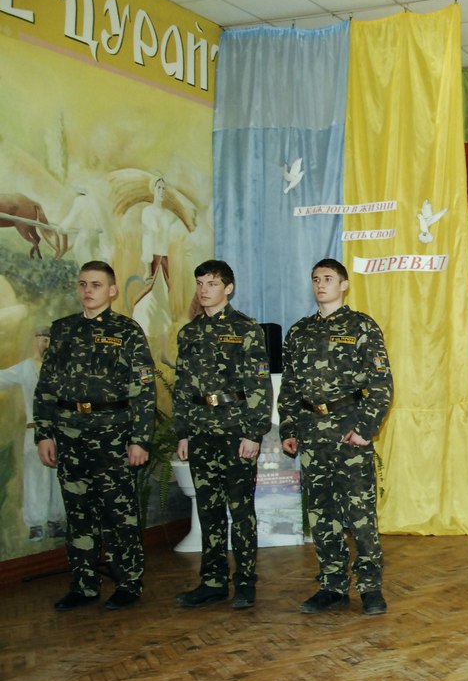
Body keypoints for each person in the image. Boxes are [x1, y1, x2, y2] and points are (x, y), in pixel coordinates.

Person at [34, 261, 156, 611]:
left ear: (112, 290)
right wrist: (44, 433)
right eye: (84, 284)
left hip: (113, 435)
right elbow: (46, 388)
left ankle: (128, 582)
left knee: (119, 513)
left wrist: (140, 439)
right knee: (78, 512)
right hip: (69, 435)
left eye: (97, 285)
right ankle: (84, 584)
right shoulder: (63, 330)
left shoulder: (126, 331)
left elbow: (145, 391)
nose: (88, 290)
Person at [279, 259, 394, 615]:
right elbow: (291, 387)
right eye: (315, 279)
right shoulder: (299, 331)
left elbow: (381, 384)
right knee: (322, 513)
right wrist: (289, 428)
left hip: (349, 430)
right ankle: (332, 585)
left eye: (328, 279)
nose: (320, 284)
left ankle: (370, 587)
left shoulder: (361, 326)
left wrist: (365, 429)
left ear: (344, 285)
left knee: (360, 512)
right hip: (313, 433)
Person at [172, 260, 273, 609]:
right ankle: (212, 581)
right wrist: (182, 432)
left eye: (212, 284)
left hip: (235, 431)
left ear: (228, 288)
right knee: (209, 511)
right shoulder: (189, 333)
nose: (203, 290)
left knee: (241, 510)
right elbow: (182, 386)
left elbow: (259, 386)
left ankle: (245, 581)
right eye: (200, 283)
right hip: (201, 431)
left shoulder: (246, 329)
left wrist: (253, 433)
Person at [0, 326, 65, 541]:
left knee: (57, 477)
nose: (45, 343)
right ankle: (36, 524)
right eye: (42, 338)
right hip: (34, 430)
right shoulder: (26, 368)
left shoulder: (57, 369)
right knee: (34, 476)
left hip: (57, 431)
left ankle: (56, 520)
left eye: (48, 339)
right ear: (35, 340)